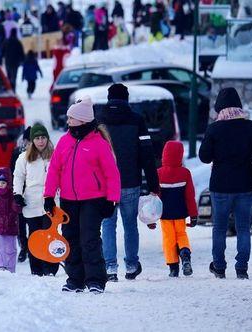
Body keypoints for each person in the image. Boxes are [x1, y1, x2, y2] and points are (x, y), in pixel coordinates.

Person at [44, 97, 121, 294]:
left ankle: (95, 279)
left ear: (82, 120)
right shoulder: (64, 141)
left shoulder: (98, 143)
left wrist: (112, 199)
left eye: (71, 118)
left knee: (89, 239)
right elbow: (54, 170)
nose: (68, 121)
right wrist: (49, 196)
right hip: (68, 200)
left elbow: (112, 173)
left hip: (93, 200)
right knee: (70, 238)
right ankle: (75, 279)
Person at [96, 83, 160, 282]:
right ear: (126, 99)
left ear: (109, 98)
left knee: (108, 224)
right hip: (130, 181)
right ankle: (131, 266)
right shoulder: (137, 120)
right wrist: (153, 184)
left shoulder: (99, 120)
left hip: (105, 184)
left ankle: (110, 268)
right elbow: (147, 154)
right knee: (130, 225)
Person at [199, 87, 252, 280]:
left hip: (221, 186)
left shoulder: (214, 128)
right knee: (243, 228)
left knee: (220, 228)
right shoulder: (251, 127)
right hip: (246, 185)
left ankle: (219, 266)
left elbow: (204, 157)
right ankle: (242, 268)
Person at [13, 123, 60, 276]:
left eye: (43, 138)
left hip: (50, 201)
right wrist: (17, 194)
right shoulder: (24, 158)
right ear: (32, 140)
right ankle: (36, 268)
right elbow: (18, 177)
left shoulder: (54, 155)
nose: (41, 141)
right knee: (34, 236)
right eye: (37, 138)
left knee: (49, 234)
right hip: (31, 201)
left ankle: (50, 267)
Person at [151, 141, 198, 277]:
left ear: (164, 155)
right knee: (181, 234)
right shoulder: (185, 173)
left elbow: (155, 197)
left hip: (164, 214)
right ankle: (185, 254)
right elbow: (190, 196)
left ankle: (173, 267)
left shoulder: (159, 173)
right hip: (180, 213)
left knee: (168, 238)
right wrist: (193, 215)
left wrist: (152, 217)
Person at [10, 126, 31, 262]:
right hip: (20, 191)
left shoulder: (41, 153)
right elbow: (13, 172)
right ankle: (24, 247)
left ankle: (33, 246)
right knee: (21, 223)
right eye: (27, 140)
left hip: (35, 192)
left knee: (34, 223)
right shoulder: (17, 152)